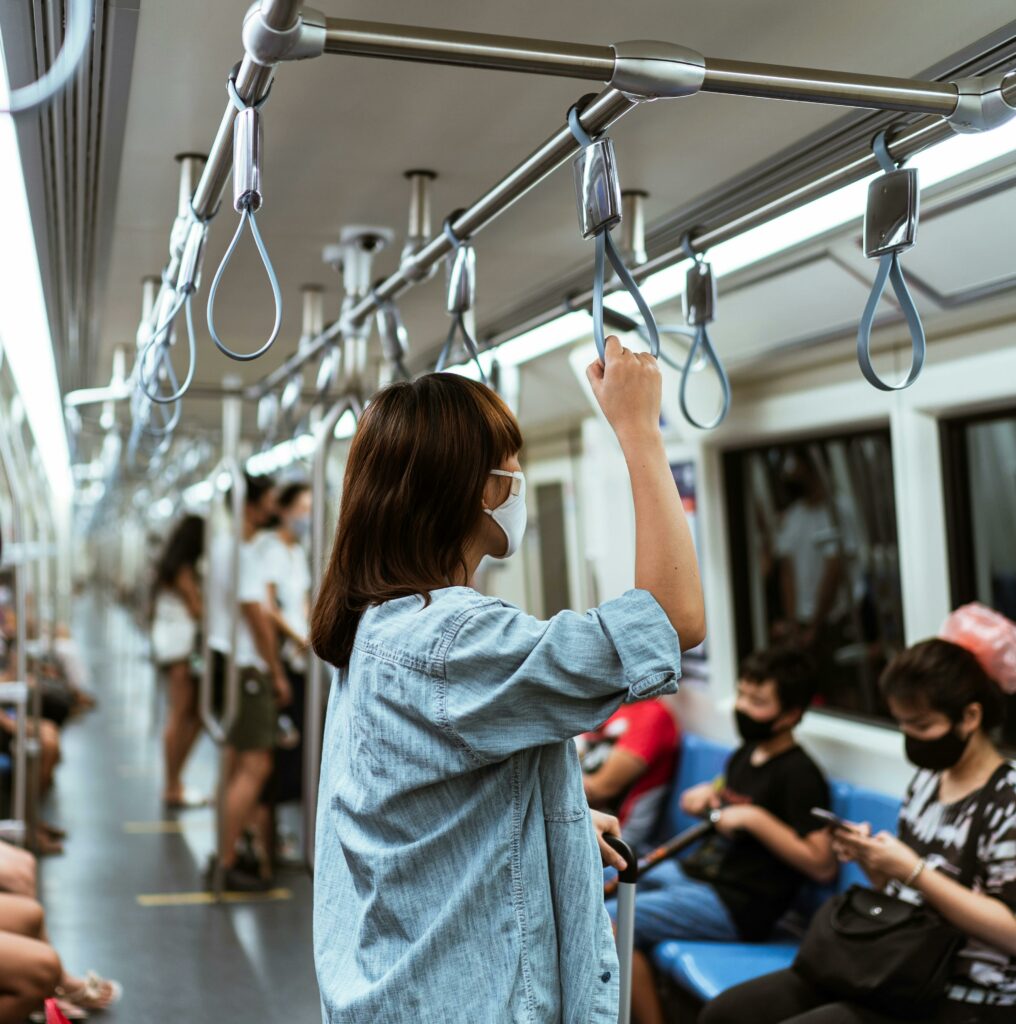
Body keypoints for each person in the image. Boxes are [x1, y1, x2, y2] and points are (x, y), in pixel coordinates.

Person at [311, 338, 705, 1024]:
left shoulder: (378, 625)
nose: (519, 477)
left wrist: (556, 823)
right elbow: (673, 621)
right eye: (513, 461)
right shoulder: (453, 639)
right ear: (481, 486)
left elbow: (424, 809)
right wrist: (640, 430)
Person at [702, 634, 1016, 1024]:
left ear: (970, 717)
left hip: (965, 991)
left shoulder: (1008, 800)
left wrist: (913, 871)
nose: (911, 740)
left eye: (921, 725)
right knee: (727, 1014)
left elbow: (1010, 932)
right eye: (902, 725)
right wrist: (873, 860)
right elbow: (898, 892)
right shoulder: (928, 783)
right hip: (898, 963)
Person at [615, 647, 836, 1024]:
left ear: (790, 716)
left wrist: (755, 819)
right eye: (743, 695)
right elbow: (726, 796)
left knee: (615, 920)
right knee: (602, 877)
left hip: (737, 903)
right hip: (698, 874)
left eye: (759, 701)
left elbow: (822, 864)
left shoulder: (800, 775)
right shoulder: (746, 754)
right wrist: (707, 795)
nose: (744, 708)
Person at [205, 473, 291, 891]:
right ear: (252, 506)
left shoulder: (225, 548)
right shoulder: (239, 552)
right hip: (247, 666)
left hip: (228, 661)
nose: (274, 509)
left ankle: (225, 850)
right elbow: (256, 617)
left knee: (237, 764)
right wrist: (275, 671)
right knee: (256, 765)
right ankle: (225, 859)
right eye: (270, 501)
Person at [252, 481, 313, 869]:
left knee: (299, 748)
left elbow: (303, 601)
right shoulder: (271, 549)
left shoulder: (299, 552)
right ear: (286, 510)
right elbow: (268, 606)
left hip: (301, 656)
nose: (308, 516)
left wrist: (311, 629)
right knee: (280, 750)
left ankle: (277, 838)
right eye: (303, 508)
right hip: (282, 657)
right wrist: (297, 636)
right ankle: (264, 841)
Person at [150, 514, 205, 808]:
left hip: (174, 645)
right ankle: (172, 785)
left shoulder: (172, 568)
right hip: (179, 647)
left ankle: (176, 780)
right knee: (180, 714)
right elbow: (197, 609)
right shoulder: (183, 572)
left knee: (193, 714)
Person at [580, 697, 681, 852]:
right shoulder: (611, 706)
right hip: (585, 819)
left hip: (615, 835)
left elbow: (597, 790)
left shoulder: (650, 715)